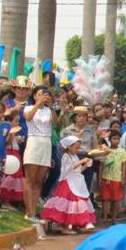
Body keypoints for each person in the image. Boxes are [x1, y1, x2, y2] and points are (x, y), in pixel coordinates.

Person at [40, 136, 95, 233]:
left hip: (77, 182)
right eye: (76, 147)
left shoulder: (75, 156)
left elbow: (78, 171)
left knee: (79, 202)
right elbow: (68, 169)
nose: (78, 150)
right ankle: (66, 226)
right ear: (69, 147)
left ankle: (79, 223)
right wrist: (81, 162)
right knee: (69, 203)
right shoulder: (66, 156)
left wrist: (85, 165)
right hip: (69, 183)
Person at [22, 84, 53, 223]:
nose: (43, 97)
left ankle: (34, 212)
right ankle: (28, 212)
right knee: (30, 179)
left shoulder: (49, 110)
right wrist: (37, 105)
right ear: (35, 96)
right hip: (34, 141)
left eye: (45, 94)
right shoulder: (28, 107)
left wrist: (51, 106)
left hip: (47, 142)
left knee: (39, 180)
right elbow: (28, 117)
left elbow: (56, 123)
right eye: (40, 94)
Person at [97, 129, 126, 225]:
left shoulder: (122, 151)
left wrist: (122, 178)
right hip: (106, 178)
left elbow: (124, 165)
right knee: (105, 199)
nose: (116, 141)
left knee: (115, 200)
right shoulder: (105, 150)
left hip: (116, 179)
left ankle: (114, 218)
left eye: (118, 139)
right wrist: (100, 177)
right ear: (109, 140)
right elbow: (101, 165)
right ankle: (105, 217)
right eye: (114, 139)